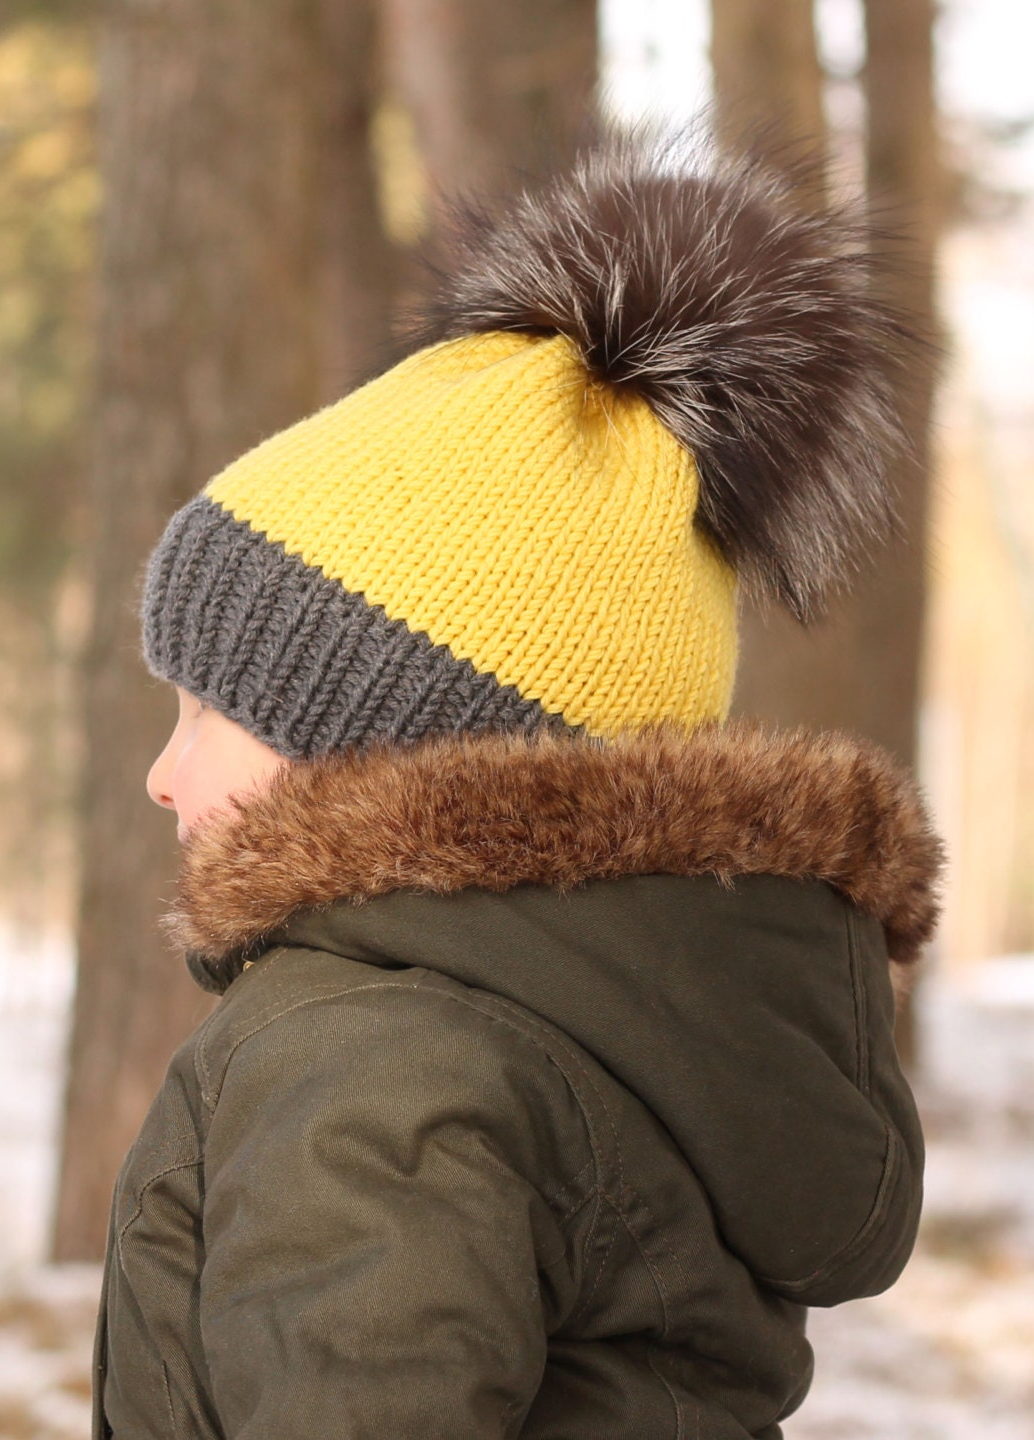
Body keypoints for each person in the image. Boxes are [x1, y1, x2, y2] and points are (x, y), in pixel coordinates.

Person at [93, 136, 944, 1439]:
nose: (165, 775)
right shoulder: (634, 1025)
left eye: (215, 706)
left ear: (385, 741)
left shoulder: (366, 1056)